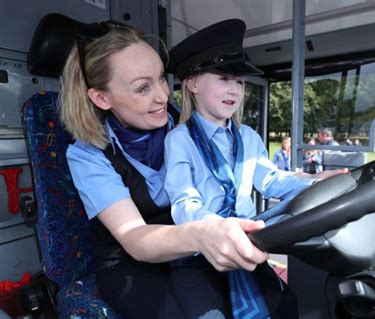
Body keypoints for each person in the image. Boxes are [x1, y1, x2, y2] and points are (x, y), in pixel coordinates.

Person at [59, 20, 269, 318]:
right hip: (133, 264)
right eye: (143, 87)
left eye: (161, 78)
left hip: (195, 249)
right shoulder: (87, 156)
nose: (162, 95)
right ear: (101, 98)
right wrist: (202, 235)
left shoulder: (188, 126)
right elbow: (136, 238)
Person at [164, 19, 348, 318]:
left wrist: (314, 181)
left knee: (287, 304)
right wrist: (218, 228)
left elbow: (272, 181)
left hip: (248, 244)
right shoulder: (179, 140)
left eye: (239, 82)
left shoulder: (248, 136)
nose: (234, 90)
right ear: (193, 83)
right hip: (200, 255)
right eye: (224, 78)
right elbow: (184, 203)